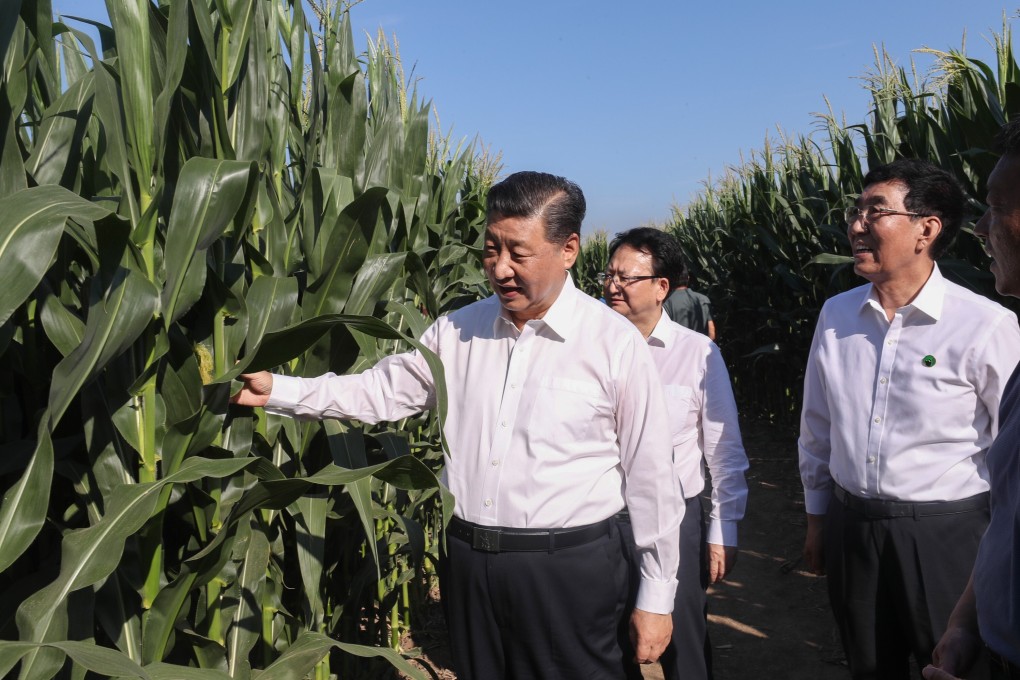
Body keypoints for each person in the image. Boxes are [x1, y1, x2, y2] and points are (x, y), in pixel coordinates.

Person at [231, 171, 684, 680]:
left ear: (569, 249)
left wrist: (657, 595)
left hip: (569, 571)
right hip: (469, 563)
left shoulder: (614, 344)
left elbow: (652, 481)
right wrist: (282, 391)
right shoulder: (456, 331)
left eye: (519, 252)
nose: (501, 268)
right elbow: (379, 391)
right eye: (491, 248)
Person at [798, 158, 1020, 679]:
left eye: (876, 211)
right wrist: (817, 517)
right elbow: (817, 424)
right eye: (856, 210)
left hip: (948, 536)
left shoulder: (987, 326)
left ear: (927, 229)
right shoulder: (836, 316)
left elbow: (1007, 453)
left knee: (949, 662)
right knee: (868, 665)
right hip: (852, 526)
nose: (855, 224)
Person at [602, 227, 749, 680]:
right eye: (608, 275)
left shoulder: (697, 353)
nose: (611, 286)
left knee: (682, 633)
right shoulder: (593, 347)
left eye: (625, 278)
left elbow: (723, 448)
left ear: (661, 287)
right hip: (603, 517)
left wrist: (722, 529)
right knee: (609, 637)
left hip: (676, 517)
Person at [922, 121, 1020, 680]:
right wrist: (966, 620)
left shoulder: (988, 327)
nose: (981, 229)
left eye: (996, 208)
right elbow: (1007, 516)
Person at [662, 258, 716, 340]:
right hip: (701, 350)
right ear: (688, 278)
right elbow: (711, 331)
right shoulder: (703, 299)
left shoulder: (667, 302)